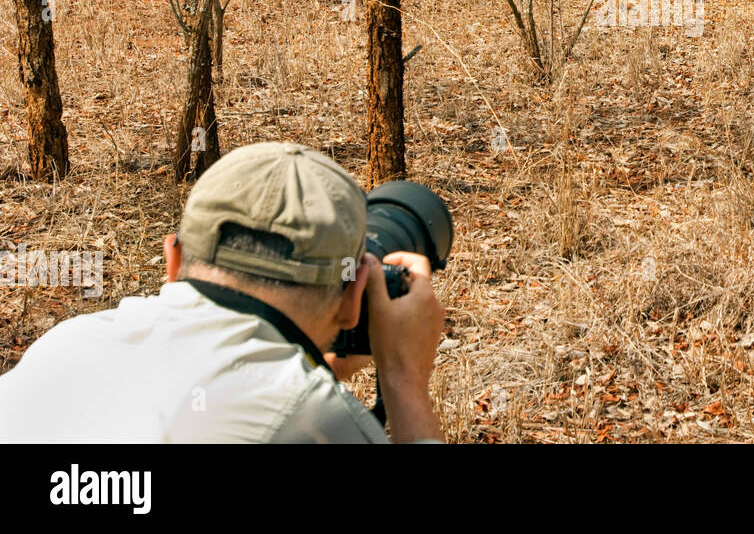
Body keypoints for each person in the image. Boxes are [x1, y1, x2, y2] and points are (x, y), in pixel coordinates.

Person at [0, 142, 446, 443]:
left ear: (172, 261)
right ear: (354, 298)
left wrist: (311, 365)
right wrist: (404, 378)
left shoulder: (64, 345)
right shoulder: (317, 420)